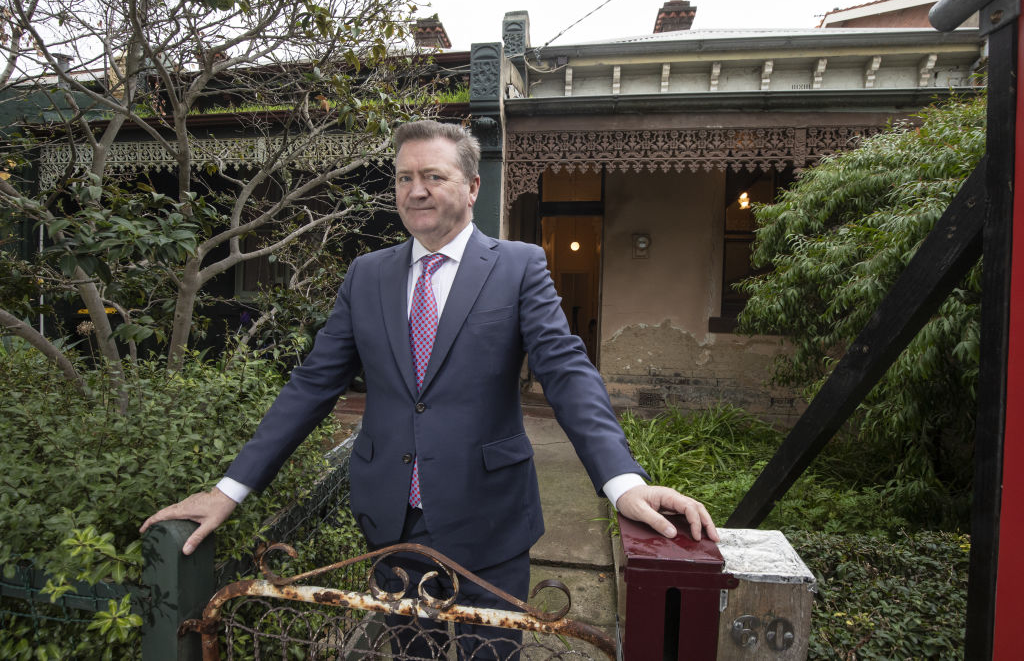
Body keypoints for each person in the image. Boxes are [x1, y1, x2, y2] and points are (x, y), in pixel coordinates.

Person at [141, 120, 718, 658]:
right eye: (404, 178)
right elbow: (312, 384)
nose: (415, 190)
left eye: (433, 176)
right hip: (392, 524)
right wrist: (228, 491)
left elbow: (566, 371)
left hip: (487, 519)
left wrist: (622, 482)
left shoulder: (518, 267)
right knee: (411, 650)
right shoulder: (367, 275)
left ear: (471, 188)